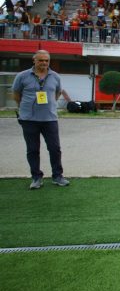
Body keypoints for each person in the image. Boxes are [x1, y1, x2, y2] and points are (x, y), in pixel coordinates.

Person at [12, 50, 70, 189]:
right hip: (29, 119)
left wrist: (49, 106)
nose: (44, 63)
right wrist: (24, 108)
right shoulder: (22, 76)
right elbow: (16, 94)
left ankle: (57, 176)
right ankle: (36, 177)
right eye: (40, 60)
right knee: (32, 149)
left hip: (49, 119)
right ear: (34, 60)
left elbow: (57, 93)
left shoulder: (55, 76)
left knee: (55, 148)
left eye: (46, 60)